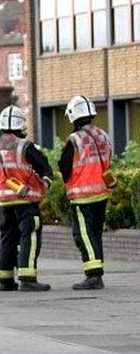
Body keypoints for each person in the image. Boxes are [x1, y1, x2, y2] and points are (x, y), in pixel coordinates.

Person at [0, 106, 54, 292]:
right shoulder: (24, 145)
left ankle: (5, 279)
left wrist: (1, 192)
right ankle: (27, 278)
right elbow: (43, 165)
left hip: (5, 202)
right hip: (26, 201)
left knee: (7, 238)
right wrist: (46, 183)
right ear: (21, 124)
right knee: (29, 236)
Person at [59, 95, 113, 290]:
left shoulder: (74, 139)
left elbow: (65, 167)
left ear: (74, 116)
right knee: (95, 234)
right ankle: (97, 271)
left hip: (82, 196)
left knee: (82, 234)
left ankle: (93, 276)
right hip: (102, 193)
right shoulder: (103, 135)